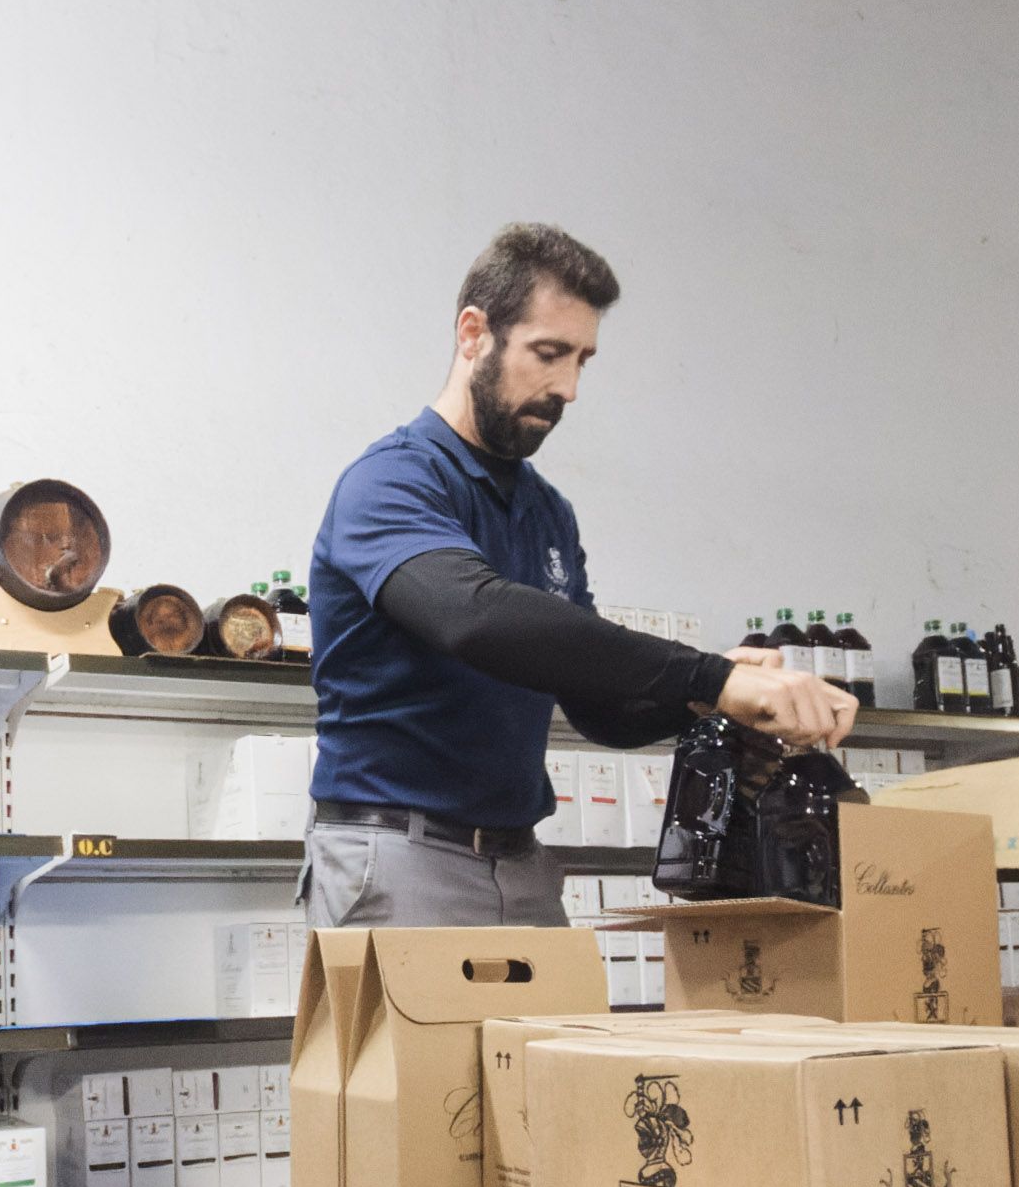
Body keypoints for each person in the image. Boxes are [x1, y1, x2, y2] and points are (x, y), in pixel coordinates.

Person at [303, 223, 855, 927]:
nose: (567, 387)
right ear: (474, 334)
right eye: (548, 353)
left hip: (520, 861)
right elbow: (474, 617)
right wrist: (714, 678)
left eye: (582, 360)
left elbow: (598, 706)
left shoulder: (547, 512)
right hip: (397, 855)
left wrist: (711, 691)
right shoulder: (391, 481)